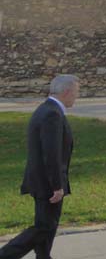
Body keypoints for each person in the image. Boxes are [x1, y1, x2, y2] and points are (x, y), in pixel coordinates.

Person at [0, 74, 79, 259]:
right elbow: (51, 154)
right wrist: (57, 186)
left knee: (47, 226)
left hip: (41, 180)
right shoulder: (52, 114)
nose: (77, 96)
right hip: (47, 183)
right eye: (76, 92)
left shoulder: (46, 108)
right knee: (44, 227)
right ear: (67, 92)